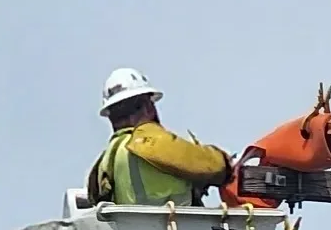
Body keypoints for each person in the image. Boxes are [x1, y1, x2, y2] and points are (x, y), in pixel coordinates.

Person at [87, 67, 230, 206]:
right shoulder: (149, 140)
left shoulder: (109, 157)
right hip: (175, 228)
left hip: (132, 229)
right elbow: (215, 166)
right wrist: (228, 162)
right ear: (148, 107)